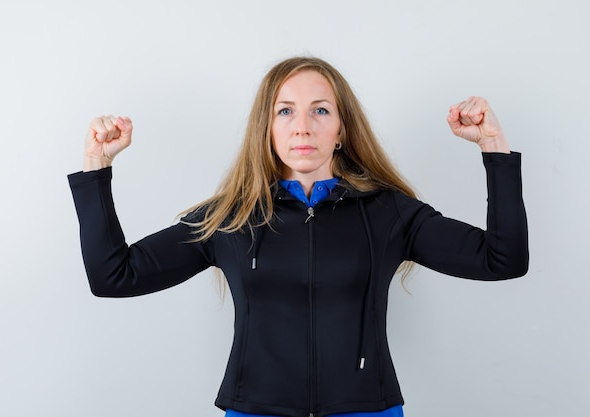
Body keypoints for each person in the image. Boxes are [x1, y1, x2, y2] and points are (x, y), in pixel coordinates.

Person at [68, 56, 528, 417]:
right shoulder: (231, 217)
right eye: (285, 110)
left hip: (367, 411)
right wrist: (97, 165)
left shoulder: (389, 213)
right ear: (267, 129)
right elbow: (115, 276)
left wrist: (493, 146)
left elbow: (501, 260)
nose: (302, 125)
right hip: (256, 412)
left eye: (320, 110)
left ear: (341, 129)